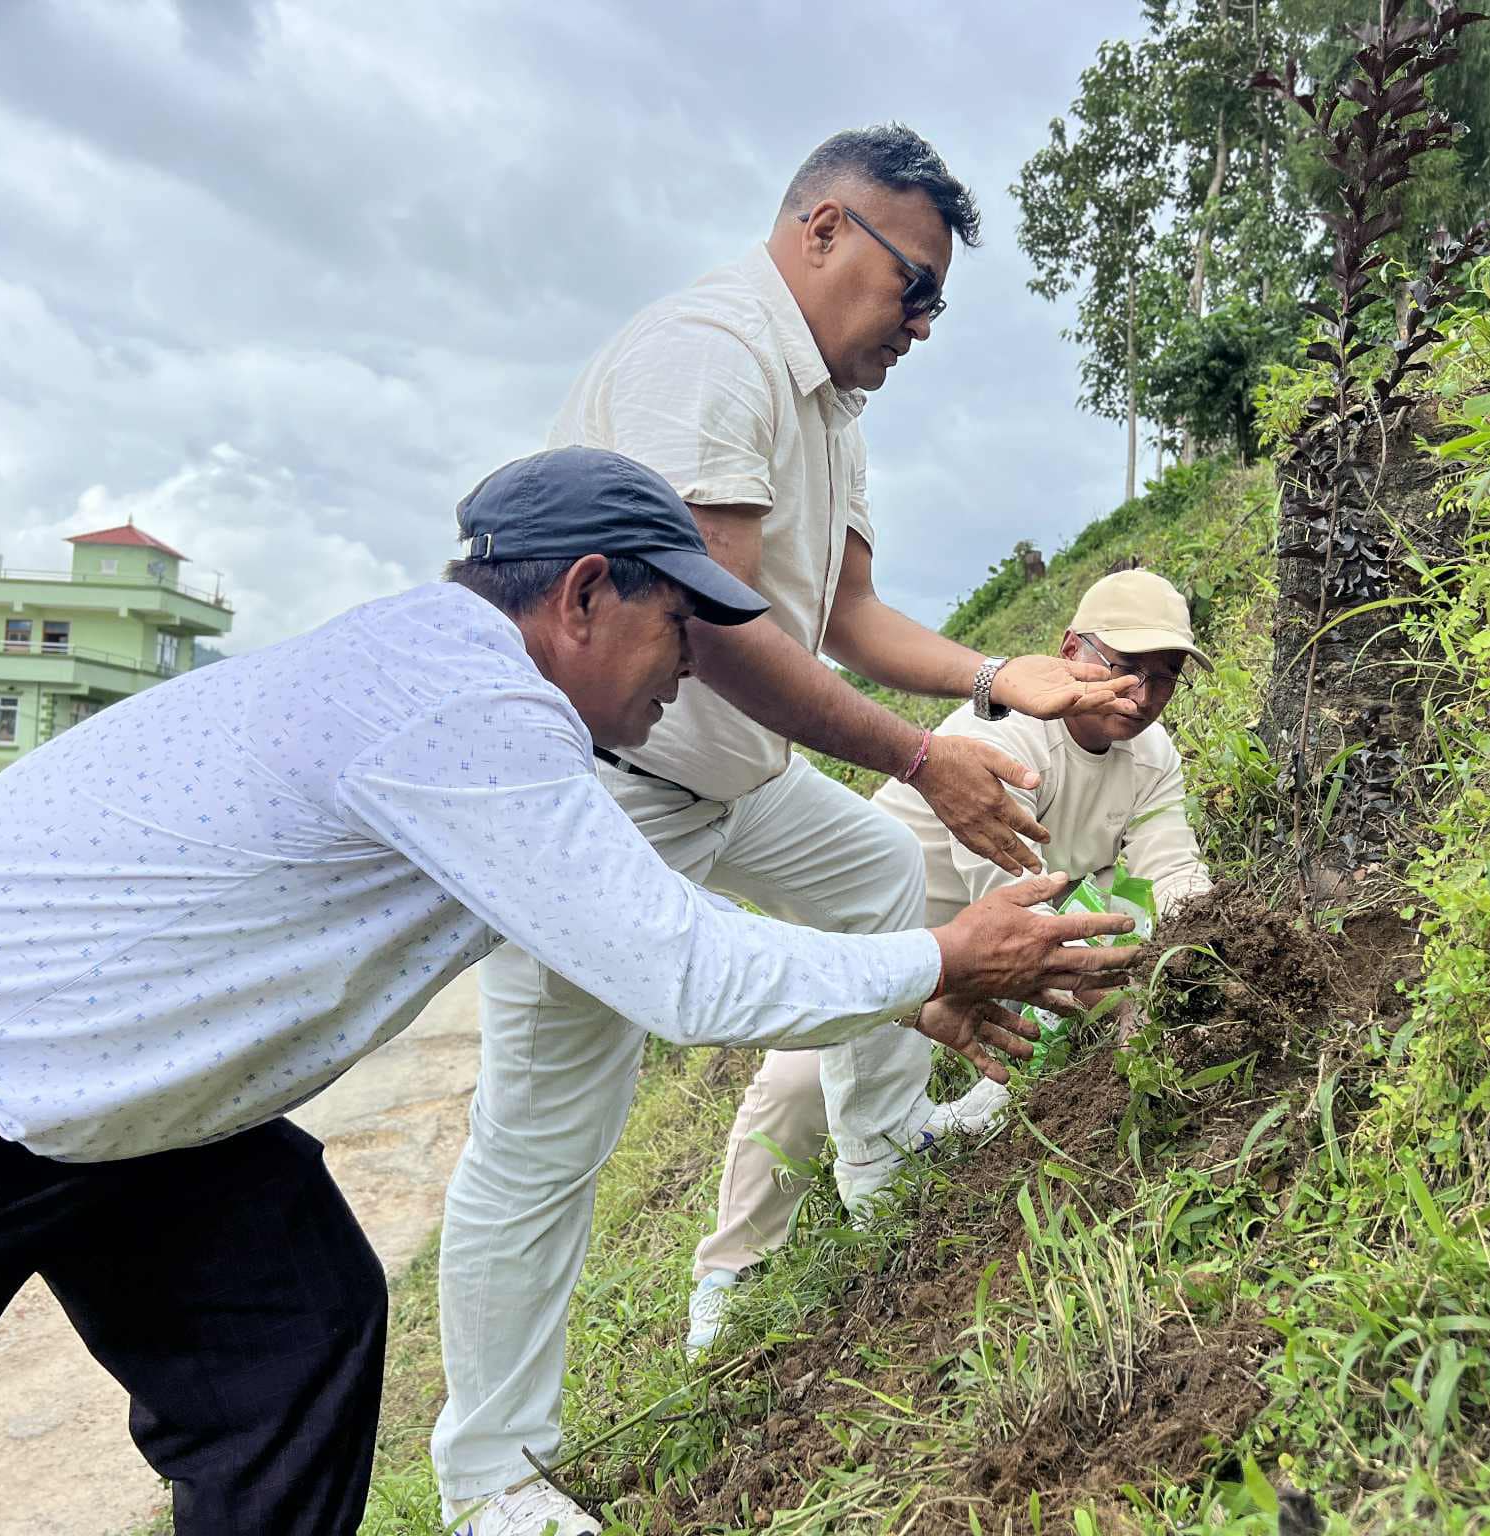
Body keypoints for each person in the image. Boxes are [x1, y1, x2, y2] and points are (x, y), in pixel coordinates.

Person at [0, 447, 1138, 1536]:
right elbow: (680, 972)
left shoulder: (454, 686)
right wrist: (939, 957)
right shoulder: (463, 702)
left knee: (296, 1334)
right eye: (676, 629)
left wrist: (907, 993)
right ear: (584, 595)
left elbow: (652, 926)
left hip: (134, 1101)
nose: (686, 671)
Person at [431, 126, 1146, 1536]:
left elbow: (844, 617)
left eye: (941, 301)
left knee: (880, 867)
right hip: (614, 780)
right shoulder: (715, 359)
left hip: (735, 777)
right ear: (824, 230)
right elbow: (715, 627)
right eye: (914, 287)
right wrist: (920, 754)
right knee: (549, 1125)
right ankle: (489, 1477)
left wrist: (1004, 681)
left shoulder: (828, 407)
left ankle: (889, 1157)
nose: (924, 324)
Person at [686, 569, 1218, 1352]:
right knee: (801, 1082)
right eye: (1125, 667)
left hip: (1005, 924)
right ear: (1071, 650)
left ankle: (942, 1129)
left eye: (1164, 678)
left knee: (1058, 1009)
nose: (1141, 695)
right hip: (890, 922)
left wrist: (1205, 941)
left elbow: (1172, 864)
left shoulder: (1153, 757)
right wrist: (1119, 993)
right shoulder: (1006, 735)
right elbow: (1008, 901)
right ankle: (729, 1273)